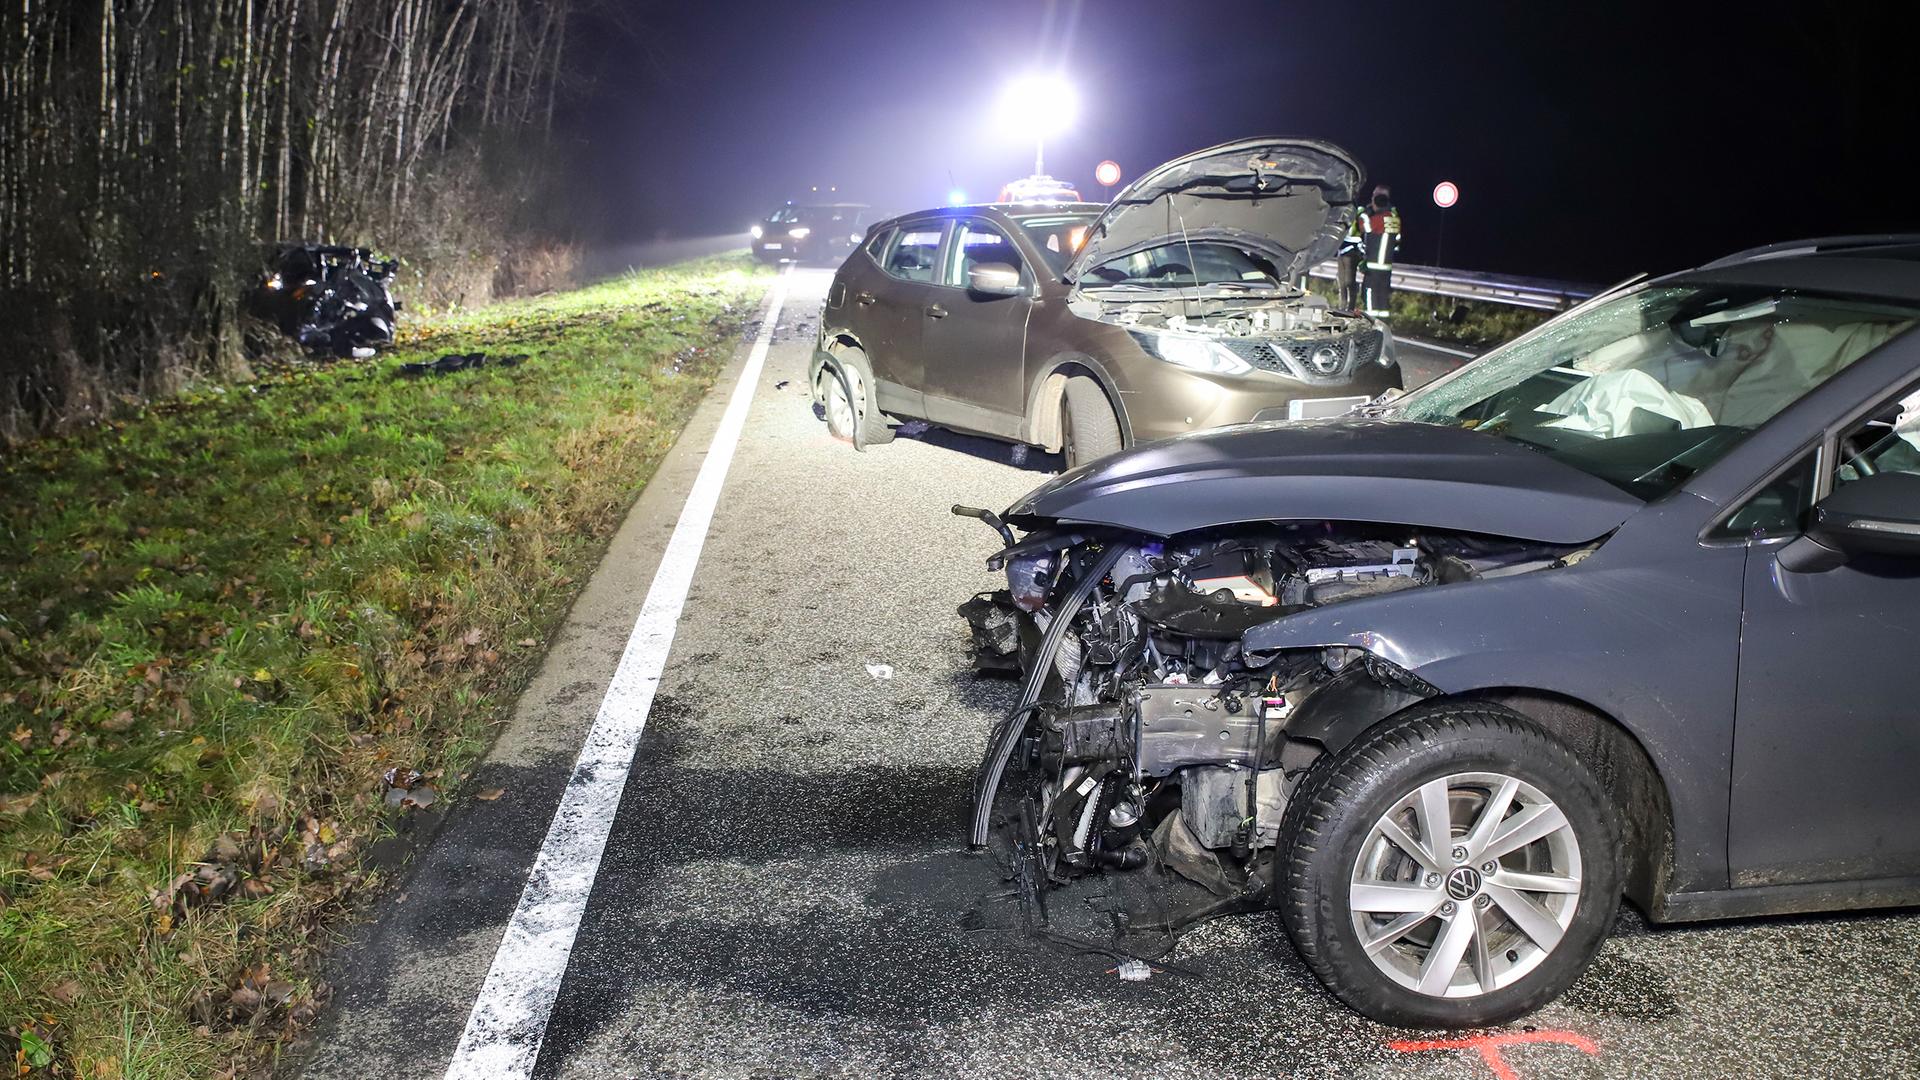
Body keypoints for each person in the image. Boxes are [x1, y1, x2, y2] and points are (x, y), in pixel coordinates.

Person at [1356, 185, 1402, 319]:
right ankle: (1383, 322)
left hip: (1374, 265)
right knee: (1382, 295)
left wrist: (1365, 211)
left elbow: (1363, 226)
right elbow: (1397, 241)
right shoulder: (1394, 219)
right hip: (1387, 266)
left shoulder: (1376, 220)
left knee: (1369, 293)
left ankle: (1371, 322)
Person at [1336, 209, 1364, 309]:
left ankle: (1350, 307)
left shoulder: (1359, 216)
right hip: (1342, 253)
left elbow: (1360, 234)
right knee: (1341, 282)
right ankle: (1342, 307)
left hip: (1351, 253)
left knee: (1349, 281)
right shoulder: (1341, 216)